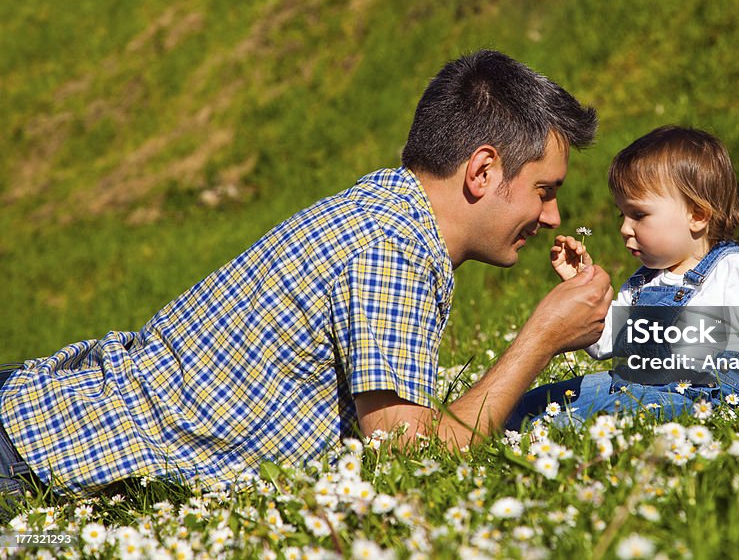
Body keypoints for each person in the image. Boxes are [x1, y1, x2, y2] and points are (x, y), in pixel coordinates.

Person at [0, 50, 614, 496]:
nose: (553, 214)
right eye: (544, 189)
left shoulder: (386, 208)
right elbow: (409, 456)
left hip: (42, 416)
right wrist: (542, 337)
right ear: (482, 172)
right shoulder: (392, 248)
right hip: (34, 453)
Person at [506, 125, 739, 430]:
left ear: (697, 215)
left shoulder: (733, 272)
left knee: (603, 418)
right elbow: (604, 343)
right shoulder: (644, 283)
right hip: (628, 387)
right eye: (621, 215)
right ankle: (507, 424)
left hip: (695, 400)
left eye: (638, 215)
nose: (625, 228)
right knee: (533, 402)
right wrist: (580, 285)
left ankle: (550, 435)